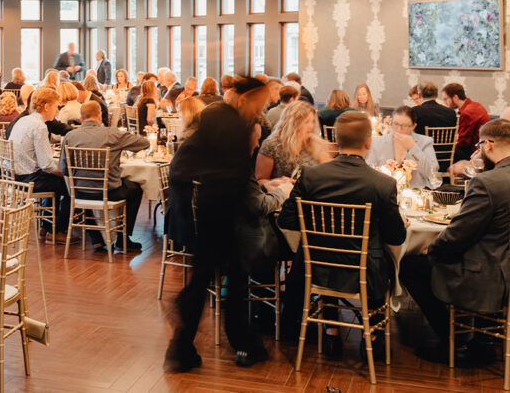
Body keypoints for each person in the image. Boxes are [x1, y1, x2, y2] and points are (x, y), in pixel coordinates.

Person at [277, 111, 406, 361]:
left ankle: (331, 332)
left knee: (325, 250)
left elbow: (286, 219)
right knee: (380, 257)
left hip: (317, 268)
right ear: (368, 142)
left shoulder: (312, 175)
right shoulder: (382, 184)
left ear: (336, 140)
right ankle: (374, 338)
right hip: (367, 272)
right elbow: (397, 236)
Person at [166, 76, 274, 371]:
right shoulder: (232, 123)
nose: (260, 109)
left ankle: (184, 347)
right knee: (232, 281)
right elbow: (235, 174)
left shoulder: (216, 116)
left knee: (207, 280)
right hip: (218, 209)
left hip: (203, 205)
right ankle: (241, 343)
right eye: (258, 103)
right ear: (243, 98)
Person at [399, 118, 510, 364]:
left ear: (488, 145)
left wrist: (431, 249)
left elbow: (458, 235)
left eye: (480, 145)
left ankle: (455, 339)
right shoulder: (493, 178)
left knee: (409, 265)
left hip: (486, 273)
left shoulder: (488, 184)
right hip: (504, 264)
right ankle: (486, 337)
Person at [59, 101, 149, 250]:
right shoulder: (113, 134)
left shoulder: (70, 136)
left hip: (80, 192)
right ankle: (123, 238)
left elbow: (63, 169)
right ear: (100, 116)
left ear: (81, 119)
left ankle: (96, 238)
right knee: (135, 189)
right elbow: (144, 143)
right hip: (109, 191)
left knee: (85, 186)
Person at [9, 87, 70, 242]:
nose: (57, 112)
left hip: (14, 176)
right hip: (28, 179)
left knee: (56, 182)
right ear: (46, 106)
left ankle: (47, 226)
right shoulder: (39, 126)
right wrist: (66, 173)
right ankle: (56, 230)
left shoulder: (24, 120)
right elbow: (47, 165)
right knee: (71, 186)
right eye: (56, 107)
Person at [365, 105, 440, 188]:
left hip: (414, 193)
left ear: (413, 126)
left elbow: (432, 174)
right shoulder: (376, 142)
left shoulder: (425, 142)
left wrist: (413, 148)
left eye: (405, 126)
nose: (399, 129)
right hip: (384, 192)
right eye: (396, 124)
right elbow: (368, 171)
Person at [255, 100, 330, 182]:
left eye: (312, 121)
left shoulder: (314, 142)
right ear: (293, 123)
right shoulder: (272, 145)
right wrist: (281, 182)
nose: (311, 126)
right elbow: (260, 180)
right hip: (284, 193)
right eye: (306, 122)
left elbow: (327, 174)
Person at [443, 82, 490, 162]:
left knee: (443, 152)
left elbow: (464, 143)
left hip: (475, 150)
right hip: (484, 147)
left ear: (455, 97)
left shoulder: (467, 112)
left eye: (446, 99)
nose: (445, 103)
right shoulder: (475, 105)